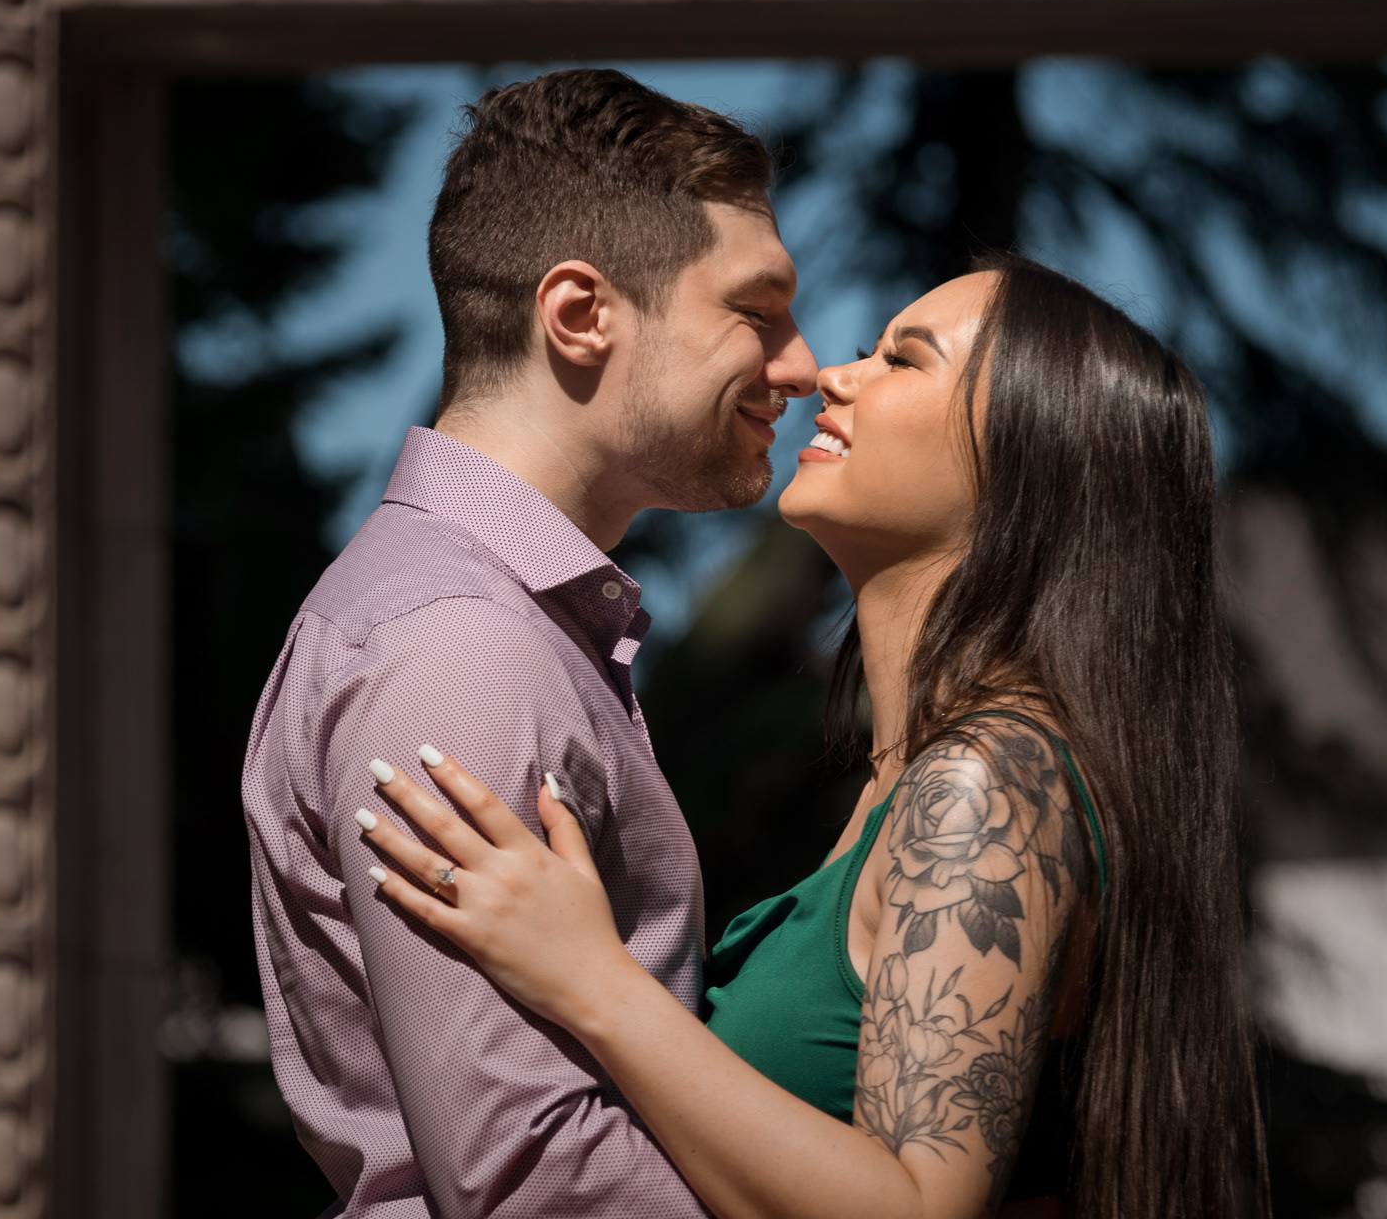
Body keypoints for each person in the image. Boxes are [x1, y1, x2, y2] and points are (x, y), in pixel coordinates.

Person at [354, 255, 1267, 1218]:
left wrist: (592, 981)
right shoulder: (921, 783)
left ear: (1032, 461)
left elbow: (920, 1209)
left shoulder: (983, 787)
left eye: (903, 361)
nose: (833, 375)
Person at [241, 67, 816, 1217]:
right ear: (581, 314)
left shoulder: (497, 621)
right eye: (756, 311)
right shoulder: (459, 646)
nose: (800, 366)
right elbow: (530, 1179)